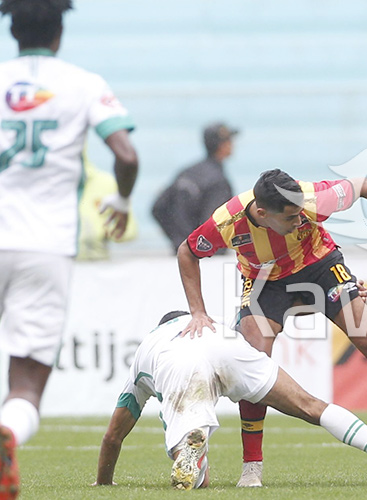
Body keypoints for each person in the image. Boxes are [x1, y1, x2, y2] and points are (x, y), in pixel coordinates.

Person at [177, 168, 367, 487]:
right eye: (290, 218)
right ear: (262, 213)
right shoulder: (226, 222)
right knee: (255, 358)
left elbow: (361, 185)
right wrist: (198, 312)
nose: (299, 220)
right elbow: (187, 252)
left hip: (320, 266)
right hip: (264, 281)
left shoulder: (313, 198)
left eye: (301, 214)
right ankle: (252, 465)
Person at [0, 1, 138, 497]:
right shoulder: (83, 84)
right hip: (45, 245)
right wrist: (122, 200)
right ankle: (8, 433)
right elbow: (126, 155)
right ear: (59, 32)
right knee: (25, 386)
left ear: (12, 30)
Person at [94, 312, 367, 489]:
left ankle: (190, 450)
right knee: (312, 406)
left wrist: (104, 484)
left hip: (178, 365)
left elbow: (113, 437)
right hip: (225, 343)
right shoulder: (202, 322)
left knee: (194, 470)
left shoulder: (148, 347)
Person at [152, 121, 238, 253]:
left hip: (182, 252)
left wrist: (179, 240)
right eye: (229, 141)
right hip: (205, 257)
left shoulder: (187, 172)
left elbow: (158, 208)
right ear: (222, 145)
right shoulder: (218, 180)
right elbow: (214, 224)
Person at [77, 153, 138, 261]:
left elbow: (130, 231)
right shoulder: (51, 184)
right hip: (58, 261)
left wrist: (103, 231)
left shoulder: (106, 182)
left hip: (98, 261)